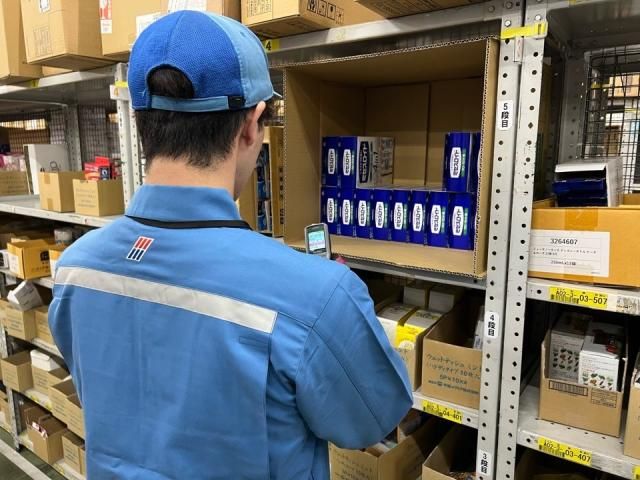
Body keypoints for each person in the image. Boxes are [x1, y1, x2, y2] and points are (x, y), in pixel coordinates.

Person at [49, 10, 412, 480]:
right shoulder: (315, 295)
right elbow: (374, 420)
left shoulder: (75, 270)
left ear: (139, 121)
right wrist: (342, 315)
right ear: (252, 125)